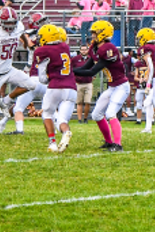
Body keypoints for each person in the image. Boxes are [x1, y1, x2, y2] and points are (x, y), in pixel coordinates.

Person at [72, 20, 130, 151]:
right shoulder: (95, 48)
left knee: (110, 113)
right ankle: (109, 142)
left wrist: (70, 72)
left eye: (94, 33)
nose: (92, 36)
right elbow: (86, 66)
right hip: (112, 87)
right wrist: (72, 71)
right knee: (97, 114)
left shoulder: (108, 49)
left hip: (121, 86)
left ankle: (118, 145)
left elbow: (92, 71)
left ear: (103, 34)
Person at [31, 24, 76, 153]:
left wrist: (49, 77)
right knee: (62, 120)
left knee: (47, 114)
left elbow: (42, 78)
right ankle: (66, 132)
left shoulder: (41, 51)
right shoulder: (65, 47)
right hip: (71, 88)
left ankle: (52, 143)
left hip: (55, 86)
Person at [74, 45, 93, 123]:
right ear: (80, 50)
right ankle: (79, 119)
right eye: (82, 50)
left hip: (88, 82)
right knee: (79, 102)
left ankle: (85, 118)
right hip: (79, 83)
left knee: (87, 102)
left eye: (85, 49)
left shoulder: (90, 59)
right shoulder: (75, 59)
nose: (84, 51)